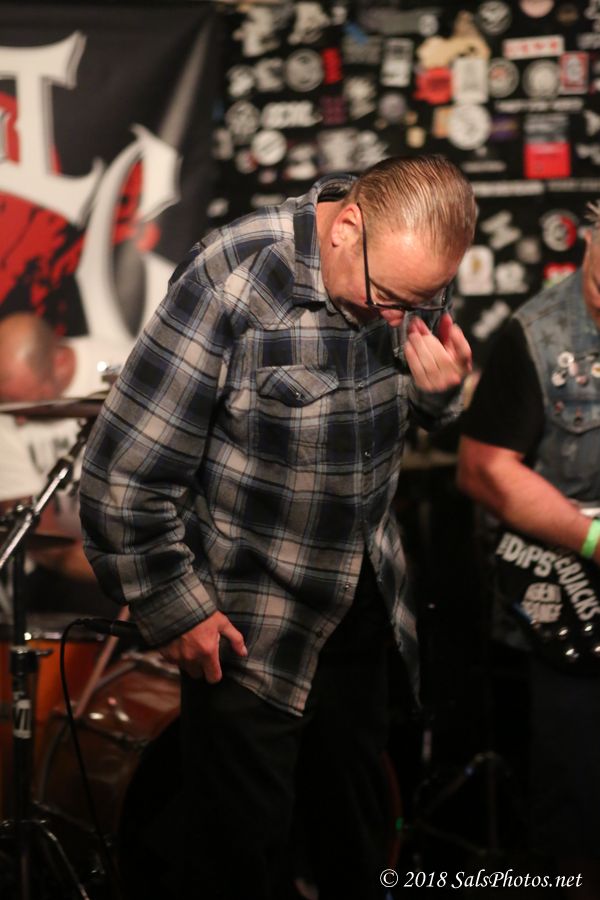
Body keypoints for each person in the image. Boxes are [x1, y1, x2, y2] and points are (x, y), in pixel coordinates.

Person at [79, 155, 476, 900]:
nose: (402, 318)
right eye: (390, 299)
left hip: (362, 607)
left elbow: (415, 405)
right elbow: (121, 473)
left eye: (422, 301)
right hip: (249, 626)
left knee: (357, 853)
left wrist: (442, 396)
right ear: (346, 227)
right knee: (239, 865)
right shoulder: (232, 278)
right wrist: (174, 607)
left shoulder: (402, 269)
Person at [457, 203, 600, 899]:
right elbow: (482, 470)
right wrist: (593, 539)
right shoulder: (538, 333)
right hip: (575, 615)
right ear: (591, 232)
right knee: (574, 823)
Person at [0, 312, 132, 611]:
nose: (18, 419)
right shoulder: (6, 402)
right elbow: (45, 544)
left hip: (148, 550)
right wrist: (136, 583)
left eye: (29, 406)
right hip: (64, 571)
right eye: (10, 407)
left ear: (59, 362)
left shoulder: (130, 366)